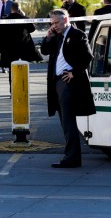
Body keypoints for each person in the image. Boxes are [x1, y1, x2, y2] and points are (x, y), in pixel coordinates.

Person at [40, 9, 95, 168]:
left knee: (68, 119)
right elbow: (44, 51)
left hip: (69, 82)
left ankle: (72, 157)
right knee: (64, 119)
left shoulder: (77, 35)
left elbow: (87, 56)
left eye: (56, 23)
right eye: (52, 24)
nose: (54, 26)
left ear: (65, 20)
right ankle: (71, 156)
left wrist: (74, 72)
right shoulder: (56, 36)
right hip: (56, 82)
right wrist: (48, 37)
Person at [0, 2, 41, 94]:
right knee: (23, 70)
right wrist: (24, 16)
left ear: (11, 9)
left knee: (12, 72)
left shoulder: (5, 20)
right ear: (19, 9)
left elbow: (0, 37)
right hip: (23, 50)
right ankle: (23, 90)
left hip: (10, 51)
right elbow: (32, 29)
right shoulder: (24, 19)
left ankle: (13, 91)